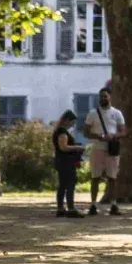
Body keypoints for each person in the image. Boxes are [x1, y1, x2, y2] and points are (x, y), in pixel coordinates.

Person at [82, 88, 125, 216]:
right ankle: (93, 205)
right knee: (95, 177)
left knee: (112, 178)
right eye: (101, 96)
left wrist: (113, 136)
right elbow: (86, 132)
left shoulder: (117, 113)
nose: (103, 98)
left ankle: (114, 205)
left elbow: (123, 132)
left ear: (110, 97)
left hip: (112, 150)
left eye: (105, 96)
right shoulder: (92, 113)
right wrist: (100, 136)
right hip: (97, 149)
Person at [52, 111, 86, 218]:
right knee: (70, 184)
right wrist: (78, 147)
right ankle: (71, 208)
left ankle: (60, 208)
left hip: (61, 161)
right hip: (66, 161)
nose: (73, 125)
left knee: (62, 185)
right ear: (67, 120)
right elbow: (63, 147)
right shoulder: (62, 132)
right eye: (72, 122)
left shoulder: (58, 131)